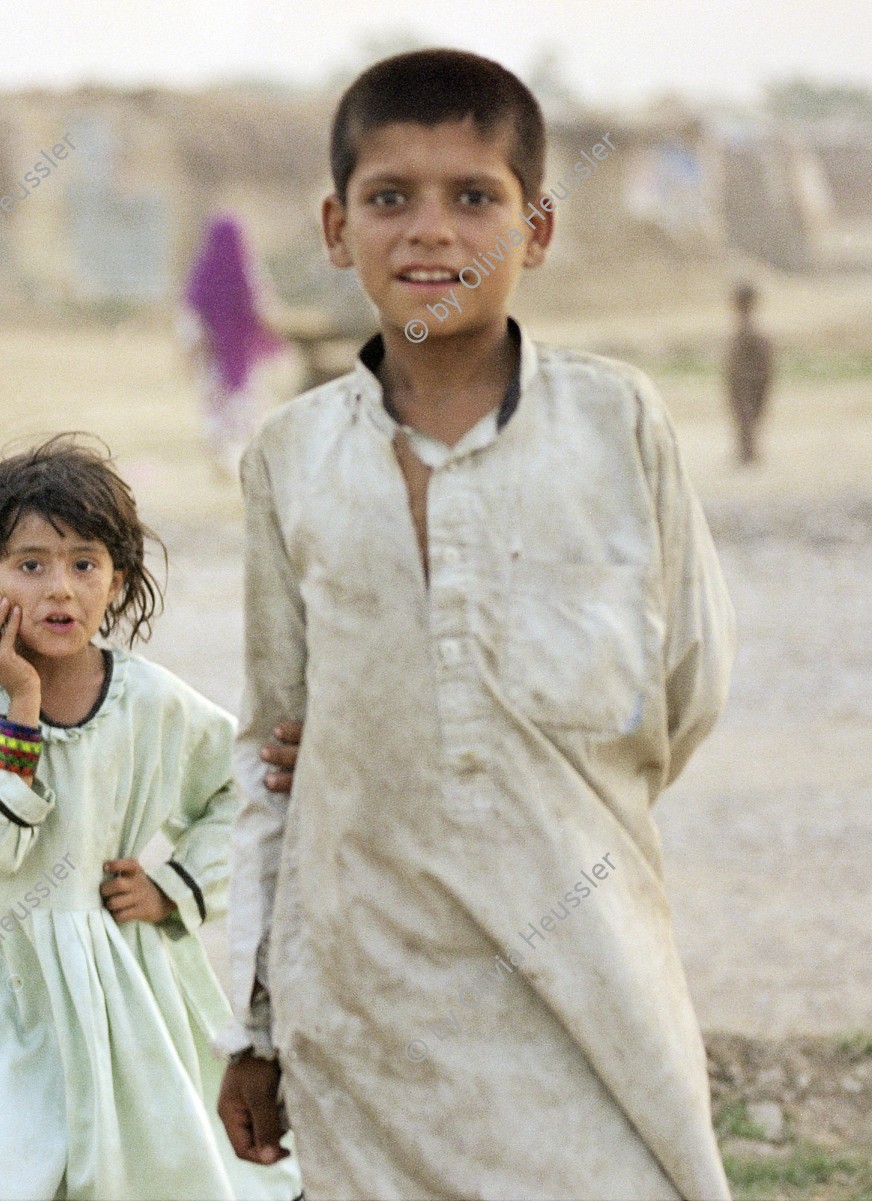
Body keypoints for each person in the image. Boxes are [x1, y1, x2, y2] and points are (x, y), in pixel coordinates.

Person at [214, 49, 737, 1200]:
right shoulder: (292, 460)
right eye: (389, 197)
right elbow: (270, 751)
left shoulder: (615, 424)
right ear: (336, 227)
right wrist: (250, 1022)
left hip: (590, 988)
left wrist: (529, 766)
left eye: (475, 198)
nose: (430, 232)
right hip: (366, 1011)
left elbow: (688, 688)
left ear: (535, 228)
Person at [0, 436, 304, 1201]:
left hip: (123, 974)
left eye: (85, 564)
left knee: (139, 1167)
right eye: (31, 564)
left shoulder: (149, 700)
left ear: (117, 579)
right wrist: (20, 704)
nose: (61, 589)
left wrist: (174, 885)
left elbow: (246, 786)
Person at [181, 214, 304, 476]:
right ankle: (237, 459)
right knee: (244, 405)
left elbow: (191, 320)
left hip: (214, 357)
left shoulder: (202, 273)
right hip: (242, 356)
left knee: (217, 405)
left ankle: (223, 459)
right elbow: (264, 312)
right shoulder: (247, 272)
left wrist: (191, 353)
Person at [726, 281, 774, 466]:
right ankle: (747, 452)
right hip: (746, 379)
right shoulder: (748, 332)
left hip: (749, 380)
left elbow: (764, 361)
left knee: (748, 416)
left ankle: (748, 452)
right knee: (746, 416)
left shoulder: (751, 333)